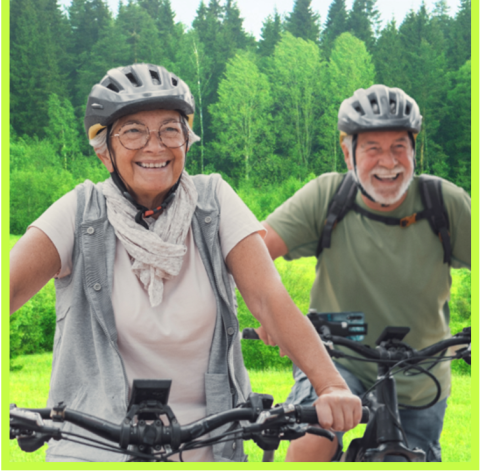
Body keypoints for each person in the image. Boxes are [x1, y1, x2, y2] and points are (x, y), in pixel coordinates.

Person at [10, 63, 361, 462]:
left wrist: (330, 385)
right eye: (133, 131)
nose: (154, 145)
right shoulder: (80, 212)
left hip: (206, 446)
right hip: (94, 447)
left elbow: (269, 299)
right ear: (105, 152)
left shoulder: (214, 202)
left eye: (170, 130)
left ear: (187, 143)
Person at [258, 84, 471, 462]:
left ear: (414, 150)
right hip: (336, 360)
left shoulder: (444, 203)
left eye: (398, 147)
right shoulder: (327, 196)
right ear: (348, 151)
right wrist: (268, 314)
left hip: (422, 375)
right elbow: (254, 249)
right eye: (373, 148)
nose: (388, 162)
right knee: (312, 439)